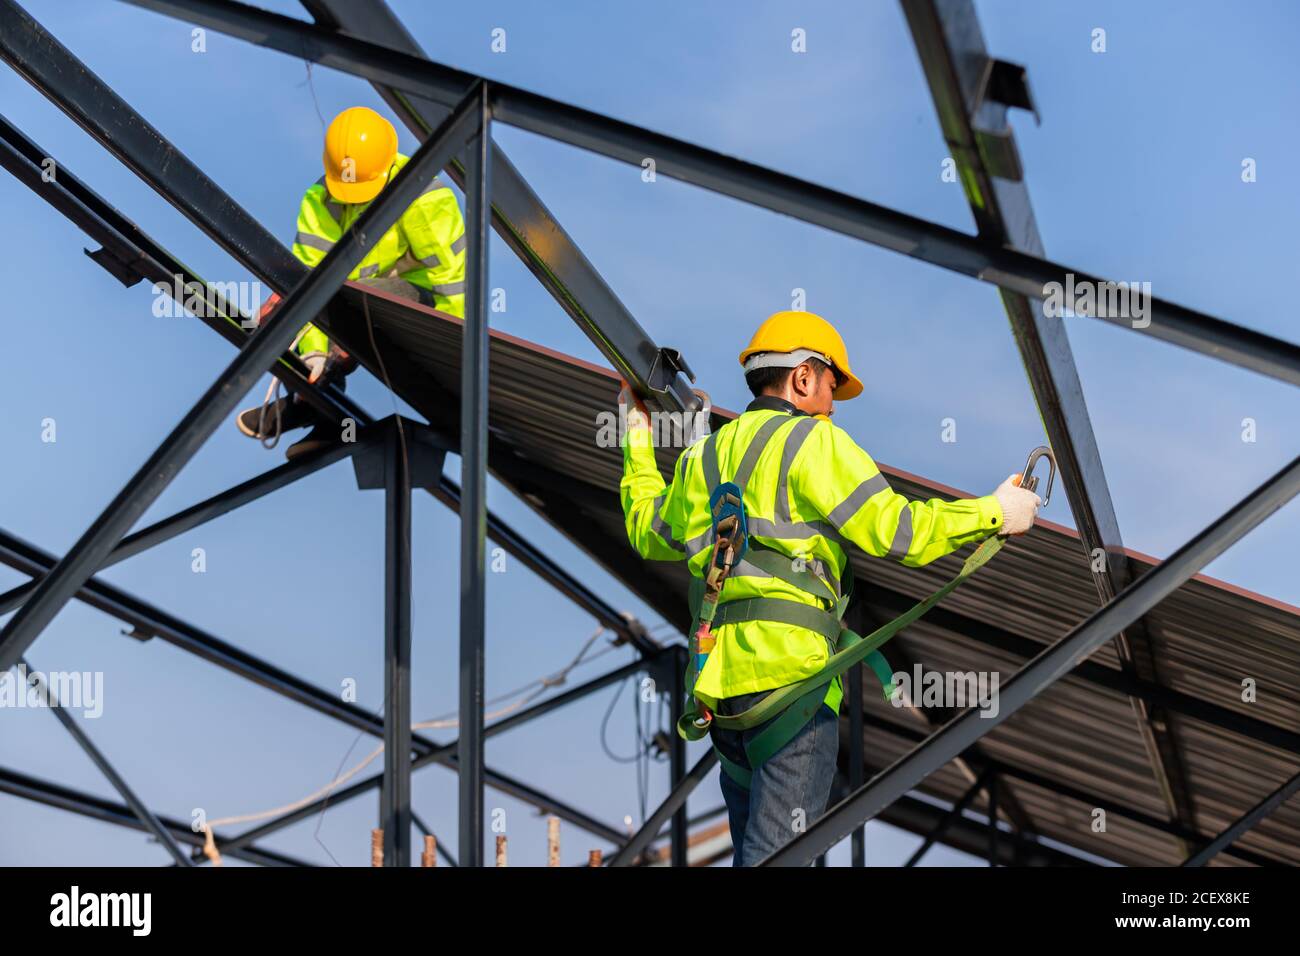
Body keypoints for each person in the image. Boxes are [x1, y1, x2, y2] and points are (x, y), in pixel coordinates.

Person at [618, 310, 1041, 865]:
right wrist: (995, 512)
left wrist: (636, 436)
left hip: (723, 699)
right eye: (831, 386)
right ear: (802, 377)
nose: (833, 405)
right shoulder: (816, 443)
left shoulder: (703, 457)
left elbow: (646, 529)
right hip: (793, 689)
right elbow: (899, 532)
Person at [235, 106, 468, 458]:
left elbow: (452, 283)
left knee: (351, 298)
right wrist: (313, 352)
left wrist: (452, 365)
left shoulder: (425, 197)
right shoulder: (322, 199)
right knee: (283, 305)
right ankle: (316, 403)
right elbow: (307, 280)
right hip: (351, 299)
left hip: (421, 300)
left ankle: (318, 395)